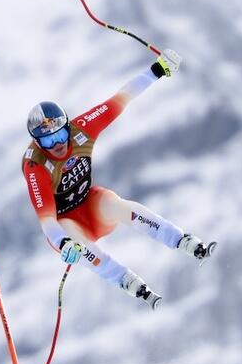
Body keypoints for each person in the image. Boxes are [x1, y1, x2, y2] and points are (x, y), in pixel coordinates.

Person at [21, 50, 216, 310]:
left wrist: (157, 70)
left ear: (68, 127)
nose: (56, 144)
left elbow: (121, 99)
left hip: (90, 204)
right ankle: (127, 281)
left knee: (117, 205)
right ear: (37, 142)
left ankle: (181, 240)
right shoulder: (36, 165)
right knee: (80, 244)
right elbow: (46, 220)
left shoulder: (82, 129)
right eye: (46, 140)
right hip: (64, 224)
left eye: (59, 135)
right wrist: (63, 242)